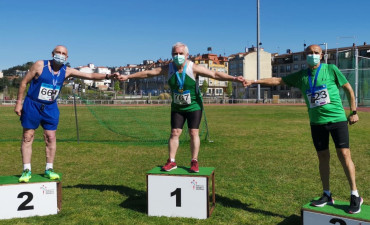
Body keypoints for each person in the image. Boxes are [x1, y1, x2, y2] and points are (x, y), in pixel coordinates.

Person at [252, 44, 362, 214]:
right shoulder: (301, 75)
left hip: (337, 119)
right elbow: (278, 80)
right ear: (305, 56)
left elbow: (348, 88)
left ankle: (355, 195)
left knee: (344, 155)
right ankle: (327, 194)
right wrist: (254, 81)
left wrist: (353, 111)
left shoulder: (331, 69)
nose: (313, 55)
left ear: (322, 55)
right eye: (309, 53)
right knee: (322, 157)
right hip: (316, 122)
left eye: (316, 53)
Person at [116, 42, 247, 173]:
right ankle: (171, 161)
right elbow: (149, 73)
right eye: (175, 54)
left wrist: (235, 78)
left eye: (180, 54)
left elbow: (215, 75)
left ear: (187, 55)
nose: (177, 56)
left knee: (193, 132)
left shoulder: (193, 67)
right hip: (177, 107)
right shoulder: (168, 68)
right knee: (174, 133)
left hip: (194, 106)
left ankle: (194, 161)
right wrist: (128, 76)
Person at [14, 45, 114, 183]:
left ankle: (49, 168)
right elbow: (24, 82)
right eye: (58, 52)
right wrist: (19, 102)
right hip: (32, 105)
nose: (60, 55)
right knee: (27, 136)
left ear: (66, 57)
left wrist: (108, 75)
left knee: (50, 137)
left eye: (63, 53)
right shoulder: (39, 65)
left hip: (50, 107)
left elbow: (90, 75)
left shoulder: (66, 71)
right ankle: (26, 170)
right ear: (52, 53)